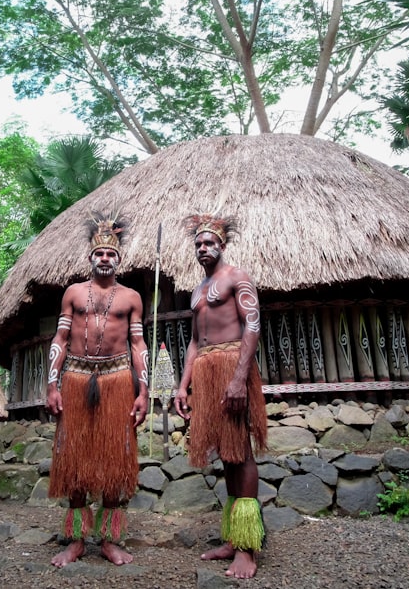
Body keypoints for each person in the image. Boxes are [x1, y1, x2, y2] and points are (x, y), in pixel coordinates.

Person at [45, 212, 150, 568]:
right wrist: (51, 385)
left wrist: (143, 391)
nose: (105, 259)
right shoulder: (73, 293)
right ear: (90, 257)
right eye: (100, 254)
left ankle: (109, 539)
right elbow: (59, 338)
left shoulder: (132, 297)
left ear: (120, 259)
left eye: (111, 255)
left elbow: (139, 345)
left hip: (118, 379)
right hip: (74, 378)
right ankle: (75, 540)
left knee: (114, 459)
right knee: (73, 457)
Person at [174, 213, 268, 579]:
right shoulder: (197, 290)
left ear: (222, 245)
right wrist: (184, 385)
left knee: (240, 450)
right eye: (198, 243)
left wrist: (239, 378)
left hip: (232, 365)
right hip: (206, 369)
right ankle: (233, 537)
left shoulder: (237, 277)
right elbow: (196, 341)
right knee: (224, 453)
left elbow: (253, 324)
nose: (202, 248)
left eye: (209, 243)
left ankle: (247, 549)